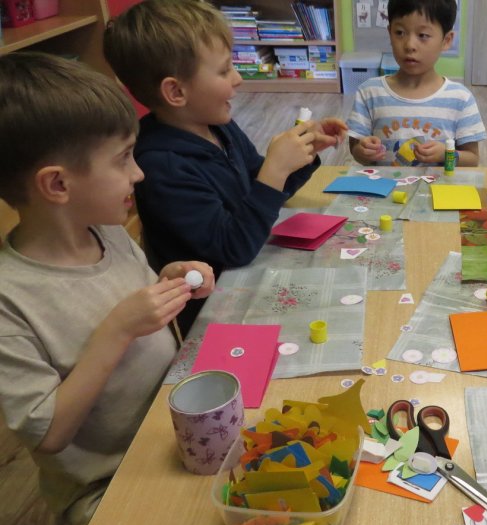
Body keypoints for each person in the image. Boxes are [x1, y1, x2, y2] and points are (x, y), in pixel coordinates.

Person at [0, 52, 215, 525]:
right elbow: (48, 433)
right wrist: (115, 331)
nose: (138, 173)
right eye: (122, 159)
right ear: (58, 184)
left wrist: (169, 281)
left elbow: (133, 303)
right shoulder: (9, 299)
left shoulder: (108, 233)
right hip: (107, 486)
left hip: (172, 433)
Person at [104, 0, 346, 334]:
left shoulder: (218, 126)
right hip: (216, 315)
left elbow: (260, 191)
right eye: (223, 70)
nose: (238, 79)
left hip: (252, 270)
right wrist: (275, 171)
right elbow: (234, 248)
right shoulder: (162, 166)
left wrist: (302, 156)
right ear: (176, 91)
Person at [348, 0, 487, 167]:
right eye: (400, 33)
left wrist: (446, 154)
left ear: (446, 40)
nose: (409, 45)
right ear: (389, 33)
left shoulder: (460, 98)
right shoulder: (369, 92)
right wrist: (364, 151)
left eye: (423, 35)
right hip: (385, 184)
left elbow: (472, 159)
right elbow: (355, 149)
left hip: (438, 184)